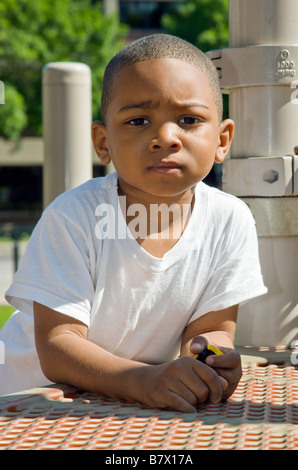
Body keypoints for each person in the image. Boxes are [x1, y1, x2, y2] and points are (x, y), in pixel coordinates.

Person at [0, 34, 267, 412]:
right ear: (103, 141)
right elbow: (59, 345)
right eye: (139, 120)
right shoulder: (74, 216)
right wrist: (140, 380)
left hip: (117, 404)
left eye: (188, 120)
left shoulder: (230, 220)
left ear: (222, 139)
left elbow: (212, 328)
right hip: (23, 401)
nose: (165, 137)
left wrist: (211, 359)